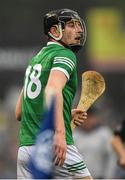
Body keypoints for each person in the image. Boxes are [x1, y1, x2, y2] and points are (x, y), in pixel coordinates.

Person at [15, 8, 92, 179]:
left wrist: (66, 113)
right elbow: (52, 89)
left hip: (25, 151)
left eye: (79, 25)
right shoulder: (65, 54)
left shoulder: (36, 59)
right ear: (55, 31)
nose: (79, 30)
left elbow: (20, 112)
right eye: (71, 25)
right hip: (51, 146)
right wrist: (59, 133)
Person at [73, 107, 116, 179]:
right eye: (84, 118)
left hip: (98, 177)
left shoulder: (105, 134)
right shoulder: (74, 135)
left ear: (95, 118)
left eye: (90, 117)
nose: (88, 121)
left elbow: (111, 158)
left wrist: (108, 177)